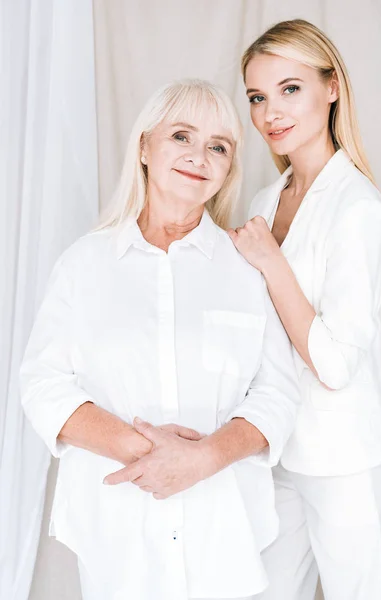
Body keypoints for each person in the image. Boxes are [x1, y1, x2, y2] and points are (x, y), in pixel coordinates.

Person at [20, 79, 300, 600]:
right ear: (145, 147)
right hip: (116, 534)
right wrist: (142, 451)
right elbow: (42, 384)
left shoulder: (245, 269)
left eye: (218, 147)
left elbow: (278, 394)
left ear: (228, 170)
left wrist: (205, 458)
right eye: (182, 136)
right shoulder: (85, 264)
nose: (200, 156)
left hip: (223, 533)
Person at [228, 19, 381, 600]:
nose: (270, 111)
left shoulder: (357, 208)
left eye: (289, 88)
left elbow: (335, 364)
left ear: (331, 88)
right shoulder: (264, 200)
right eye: (257, 96)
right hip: (277, 450)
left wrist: (270, 262)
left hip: (346, 457)